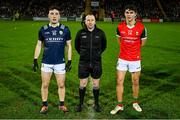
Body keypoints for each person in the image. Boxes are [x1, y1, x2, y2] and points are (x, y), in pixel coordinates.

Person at [32, 6, 72, 114]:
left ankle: (62, 105)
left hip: (60, 62)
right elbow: (39, 45)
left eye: (56, 14)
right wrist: (35, 59)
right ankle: (44, 105)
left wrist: (69, 61)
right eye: (52, 13)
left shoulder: (65, 29)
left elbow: (69, 46)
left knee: (61, 85)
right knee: (45, 85)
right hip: (46, 63)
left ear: (59, 16)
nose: (54, 16)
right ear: (48, 15)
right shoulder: (43, 29)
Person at [110, 4, 147, 114]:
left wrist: (133, 50)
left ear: (135, 14)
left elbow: (142, 43)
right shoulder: (119, 27)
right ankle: (119, 104)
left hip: (135, 59)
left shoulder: (142, 28)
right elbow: (119, 41)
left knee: (135, 81)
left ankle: (135, 102)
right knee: (119, 81)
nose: (129, 14)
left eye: (131, 12)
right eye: (127, 12)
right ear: (124, 14)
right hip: (122, 59)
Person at [75, 14, 107, 112]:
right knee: (83, 83)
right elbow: (77, 46)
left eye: (92, 20)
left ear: (95, 21)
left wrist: (97, 54)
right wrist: (84, 54)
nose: (90, 22)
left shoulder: (100, 33)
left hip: (96, 62)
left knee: (96, 84)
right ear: (85, 21)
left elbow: (104, 46)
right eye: (88, 20)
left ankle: (96, 104)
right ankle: (80, 104)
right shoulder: (80, 33)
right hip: (83, 63)